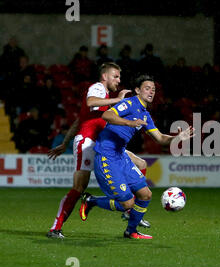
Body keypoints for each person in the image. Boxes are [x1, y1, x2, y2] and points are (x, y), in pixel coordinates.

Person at [79, 74, 194, 239]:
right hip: (106, 156)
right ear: (138, 90)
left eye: (153, 90)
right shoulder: (130, 103)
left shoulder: (145, 115)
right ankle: (91, 201)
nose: (151, 92)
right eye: (147, 88)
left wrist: (177, 138)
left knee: (145, 194)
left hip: (120, 155)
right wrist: (129, 123)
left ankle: (131, 231)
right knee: (127, 203)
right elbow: (107, 116)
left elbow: (160, 138)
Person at [46, 62, 149, 239]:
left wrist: (64, 142)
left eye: (119, 76)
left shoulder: (105, 97)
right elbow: (90, 102)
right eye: (115, 76)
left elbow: (80, 119)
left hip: (104, 146)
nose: (119, 80)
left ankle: (129, 210)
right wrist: (118, 100)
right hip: (88, 142)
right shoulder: (98, 88)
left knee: (140, 163)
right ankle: (56, 227)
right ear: (104, 77)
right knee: (78, 187)